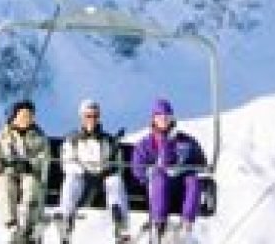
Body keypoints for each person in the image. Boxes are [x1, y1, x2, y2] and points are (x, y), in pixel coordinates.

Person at [131, 97, 208, 241]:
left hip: (180, 186)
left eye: (167, 116)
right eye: (160, 117)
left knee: (193, 180)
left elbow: (201, 161)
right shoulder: (146, 144)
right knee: (160, 178)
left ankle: (187, 225)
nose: (164, 120)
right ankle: (159, 224)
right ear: (154, 119)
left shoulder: (185, 141)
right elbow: (137, 168)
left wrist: (185, 167)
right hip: (158, 187)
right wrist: (152, 171)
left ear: (172, 118)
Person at [59, 97, 131, 243]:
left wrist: (108, 169)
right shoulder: (73, 139)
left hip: (103, 177)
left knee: (115, 182)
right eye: (88, 116)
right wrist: (82, 171)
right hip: (82, 177)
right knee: (71, 180)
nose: (92, 119)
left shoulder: (109, 140)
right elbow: (67, 162)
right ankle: (66, 220)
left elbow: (118, 163)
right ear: (82, 117)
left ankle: (120, 223)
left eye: (95, 116)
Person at [0, 98, 52, 244]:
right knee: (4, 184)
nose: (26, 119)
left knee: (32, 185)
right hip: (8, 172)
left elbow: (44, 157)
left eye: (30, 116)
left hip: (30, 173)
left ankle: (28, 227)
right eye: (22, 116)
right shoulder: (3, 135)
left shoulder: (39, 136)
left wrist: (31, 165)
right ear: (14, 117)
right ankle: (12, 225)